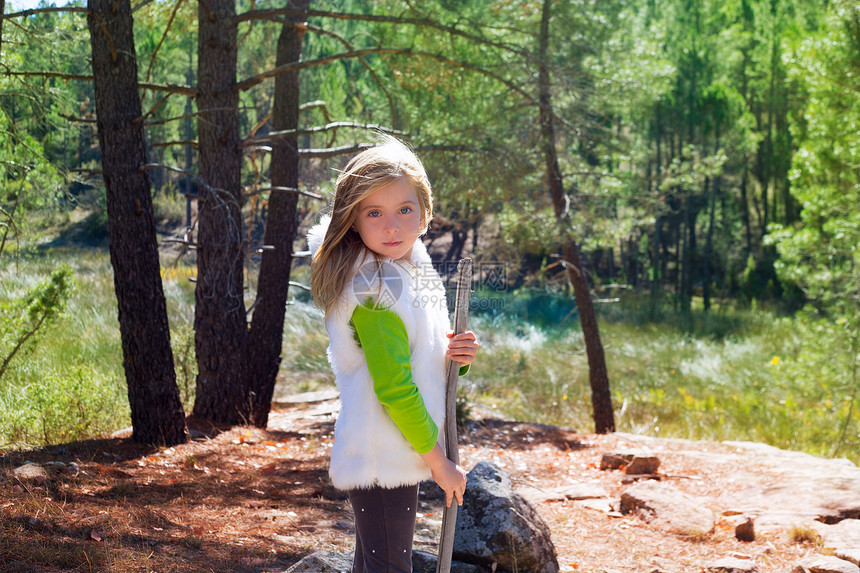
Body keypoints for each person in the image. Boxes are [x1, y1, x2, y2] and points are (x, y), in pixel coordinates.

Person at [308, 138, 479, 573]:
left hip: (394, 450)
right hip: (383, 455)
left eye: (404, 209)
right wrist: (439, 463)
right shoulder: (374, 292)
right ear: (354, 220)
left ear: (425, 211)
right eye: (374, 213)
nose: (392, 226)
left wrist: (452, 352)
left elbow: (413, 355)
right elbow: (395, 389)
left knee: (374, 566)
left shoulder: (404, 268)